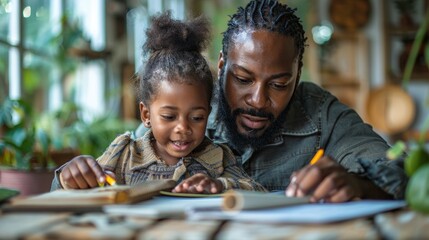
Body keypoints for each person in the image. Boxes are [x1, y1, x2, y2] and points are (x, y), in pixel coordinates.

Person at [138, 0, 408, 202]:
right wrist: (96, 174)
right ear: (221, 66)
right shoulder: (188, 106)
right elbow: (130, 160)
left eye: (279, 85)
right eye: (243, 79)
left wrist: (359, 183)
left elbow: (402, 169)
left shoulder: (320, 113)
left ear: (297, 75)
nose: (258, 100)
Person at [50, 11, 266, 194]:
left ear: (208, 114)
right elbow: (64, 192)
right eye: (169, 116)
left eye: (197, 117)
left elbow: (257, 190)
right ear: (145, 115)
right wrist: (69, 177)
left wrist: (220, 184)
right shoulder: (124, 154)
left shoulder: (218, 157)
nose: (183, 127)